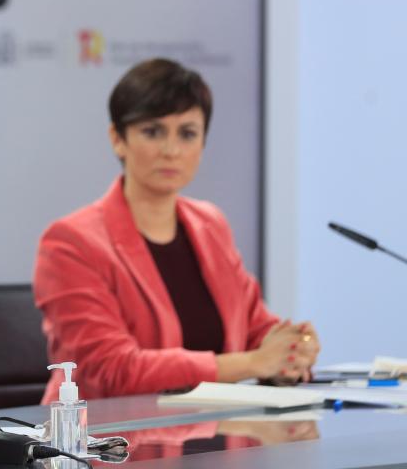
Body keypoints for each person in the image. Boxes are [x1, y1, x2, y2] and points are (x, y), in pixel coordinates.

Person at [34, 59, 320, 401]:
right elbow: (110, 369)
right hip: (102, 433)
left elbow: (256, 329)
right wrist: (252, 363)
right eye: (152, 132)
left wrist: (292, 350)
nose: (171, 151)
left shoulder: (210, 224)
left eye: (187, 134)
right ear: (118, 139)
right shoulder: (71, 242)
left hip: (212, 428)